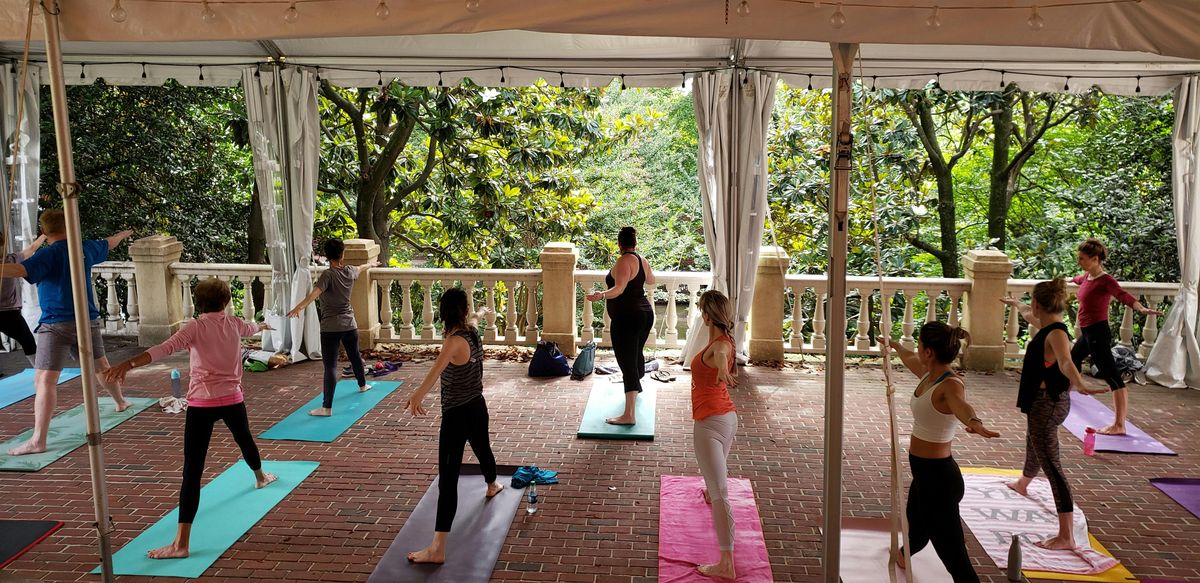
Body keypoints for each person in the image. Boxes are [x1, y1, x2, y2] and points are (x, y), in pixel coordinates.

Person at [104, 278, 276, 559]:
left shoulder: (195, 327)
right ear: (227, 302)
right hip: (232, 400)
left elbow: (163, 349)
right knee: (244, 439)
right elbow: (251, 327)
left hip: (203, 405)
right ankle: (260, 477)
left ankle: (181, 544)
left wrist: (128, 363)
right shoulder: (233, 324)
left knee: (192, 472)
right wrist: (263, 326)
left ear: (198, 303)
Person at [0, 209, 133, 456]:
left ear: (45, 232)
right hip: (86, 320)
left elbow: (19, 271)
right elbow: (109, 243)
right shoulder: (84, 248)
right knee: (101, 366)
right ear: (70, 224)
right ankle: (120, 402)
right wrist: (122, 235)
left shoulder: (49, 254)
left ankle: (38, 440)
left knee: (44, 380)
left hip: (56, 324)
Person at [882, 323, 999, 582]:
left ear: (929, 352)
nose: (917, 349)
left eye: (919, 345)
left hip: (940, 481)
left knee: (956, 560)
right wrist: (895, 346)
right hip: (924, 476)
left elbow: (962, 406)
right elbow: (910, 358)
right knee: (916, 531)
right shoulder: (928, 374)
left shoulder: (950, 385)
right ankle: (903, 556)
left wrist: (974, 422)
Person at [1002, 279, 1108, 551]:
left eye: (1031, 302)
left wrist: (1081, 383)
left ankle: (1066, 535)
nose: (1030, 308)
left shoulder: (1056, 334)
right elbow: (1028, 314)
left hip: (1048, 404)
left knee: (1052, 465)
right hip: (1043, 403)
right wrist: (1017, 304)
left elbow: (1065, 362)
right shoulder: (1048, 325)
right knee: (1034, 441)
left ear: (1040, 303)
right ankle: (1023, 483)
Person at [403, 288, 502, 565]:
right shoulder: (471, 331)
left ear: (444, 313)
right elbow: (476, 318)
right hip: (477, 407)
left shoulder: (454, 341)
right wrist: (483, 312)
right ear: (463, 310)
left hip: (457, 415)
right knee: (482, 449)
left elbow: (434, 371)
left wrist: (417, 396)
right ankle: (492, 484)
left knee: (448, 479)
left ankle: (438, 549)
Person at [1070, 238, 1160, 435]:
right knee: (1073, 358)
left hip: (1097, 332)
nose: (1080, 262)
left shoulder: (1105, 280)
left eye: (1082, 259)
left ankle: (1119, 425)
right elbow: (1077, 279)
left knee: (1112, 376)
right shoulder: (1087, 277)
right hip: (1087, 332)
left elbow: (1122, 295)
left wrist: (1141, 308)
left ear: (1095, 259)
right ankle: (1066, 398)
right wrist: (1064, 281)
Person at [286, 239, 378, 417]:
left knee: (330, 366)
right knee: (355, 356)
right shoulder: (350, 271)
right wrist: (372, 263)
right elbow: (361, 268)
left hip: (330, 327)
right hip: (350, 324)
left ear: (327, 256)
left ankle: (327, 408)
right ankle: (363, 385)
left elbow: (314, 294)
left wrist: (298, 307)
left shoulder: (328, 276)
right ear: (342, 254)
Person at [689, 290, 740, 579]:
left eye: (700, 310)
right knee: (715, 483)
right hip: (728, 418)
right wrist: (721, 369)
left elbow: (720, 358)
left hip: (710, 422)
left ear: (707, 315)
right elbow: (721, 353)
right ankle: (710, 490)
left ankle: (727, 564)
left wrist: (722, 369)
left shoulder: (720, 346)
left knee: (722, 494)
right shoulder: (726, 340)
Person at [584, 227, 655, 425]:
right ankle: (636, 390)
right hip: (645, 314)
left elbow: (619, 289)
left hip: (628, 317)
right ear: (635, 243)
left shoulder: (624, 260)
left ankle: (629, 415)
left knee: (627, 362)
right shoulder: (642, 260)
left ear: (619, 244)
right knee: (635, 354)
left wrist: (602, 295)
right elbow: (651, 281)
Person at [0, 232, 46, 368]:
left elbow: (30, 249)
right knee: (28, 342)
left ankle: (40, 370)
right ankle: (40, 371)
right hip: (8, 313)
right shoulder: (10, 260)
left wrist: (43, 236)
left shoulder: (11, 259)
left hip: (10, 313)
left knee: (28, 341)